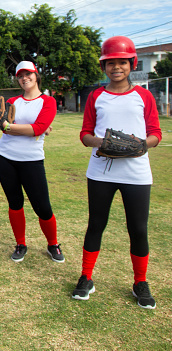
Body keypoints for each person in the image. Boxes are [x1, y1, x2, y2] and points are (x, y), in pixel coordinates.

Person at [71, 36, 161, 309]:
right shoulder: (97, 96)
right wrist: (102, 143)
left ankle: (140, 281)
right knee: (96, 224)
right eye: (110, 63)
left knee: (138, 228)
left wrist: (140, 145)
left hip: (136, 172)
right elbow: (85, 134)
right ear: (104, 67)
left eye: (122, 62)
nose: (116, 67)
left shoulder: (143, 95)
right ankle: (86, 276)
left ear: (131, 63)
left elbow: (155, 133)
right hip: (101, 171)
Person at [0, 61, 64, 263]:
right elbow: (7, 127)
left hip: (32, 160)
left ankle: (53, 244)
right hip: (5, 158)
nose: (24, 78)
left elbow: (38, 128)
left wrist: (11, 127)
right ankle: (20, 243)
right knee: (15, 204)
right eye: (20, 76)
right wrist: (28, 128)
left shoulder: (48, 101)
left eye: (28, 74)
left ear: (36, 75)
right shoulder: (13, 100)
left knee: (42, 207)